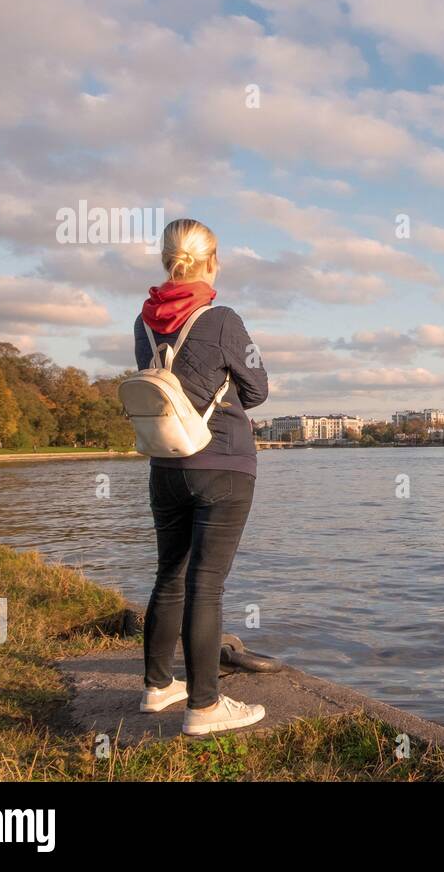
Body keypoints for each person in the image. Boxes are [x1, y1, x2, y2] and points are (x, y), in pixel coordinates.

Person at [134, 218, 269, 735]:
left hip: (164, 465)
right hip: (222, 463)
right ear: (211, 260)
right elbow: (257, 389)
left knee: (170, 574)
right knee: (206, 585)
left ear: (167, 260)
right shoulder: (223, 319)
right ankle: (205, 707)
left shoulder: (143, 322)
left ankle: (157, 685)